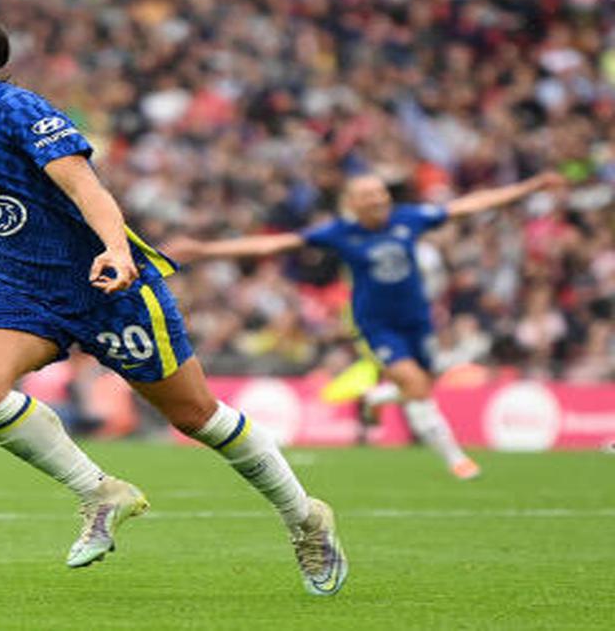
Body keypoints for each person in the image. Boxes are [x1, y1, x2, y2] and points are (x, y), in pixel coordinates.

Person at [0, 5, 347, 596]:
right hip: (18, 288)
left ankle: (304, 517)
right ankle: (99, 491)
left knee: (195, 416)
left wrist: (117, 249)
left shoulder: (15, 108)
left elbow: (86, 185)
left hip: (106, 284)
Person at [166, 171, 566, 479]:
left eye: (381, 193)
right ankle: (457, 460)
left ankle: (375, 399)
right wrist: (205, 250)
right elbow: (272, 244)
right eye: (369, 195)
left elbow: (471, 205)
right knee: (415, 385)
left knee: (422, 384)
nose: (378, 200)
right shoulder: (339, 233)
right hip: (377, 325)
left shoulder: (410, 218)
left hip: (418, 321)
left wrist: (530, 186)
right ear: (352, 203)